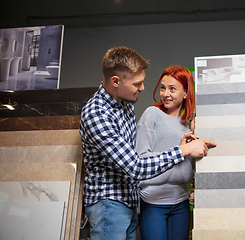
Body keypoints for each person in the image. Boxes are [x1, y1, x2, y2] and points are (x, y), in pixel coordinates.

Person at [79, 46, 216, 240]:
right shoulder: (97, 114)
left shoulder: (125, 105)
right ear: (116, 81)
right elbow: (136, 166)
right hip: (108, 203)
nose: (143, 88)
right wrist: (182, 150)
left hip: (128, 200)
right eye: (137, 83)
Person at [135, 66, 197, 240]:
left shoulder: (188, 124)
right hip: (153, 203)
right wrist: (178, 150)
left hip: (181, 204)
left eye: (172, 89)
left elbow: (191, 167)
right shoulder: (152, 114)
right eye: (163, 88)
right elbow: (141, 160)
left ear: (186, 93)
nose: (165, 94)